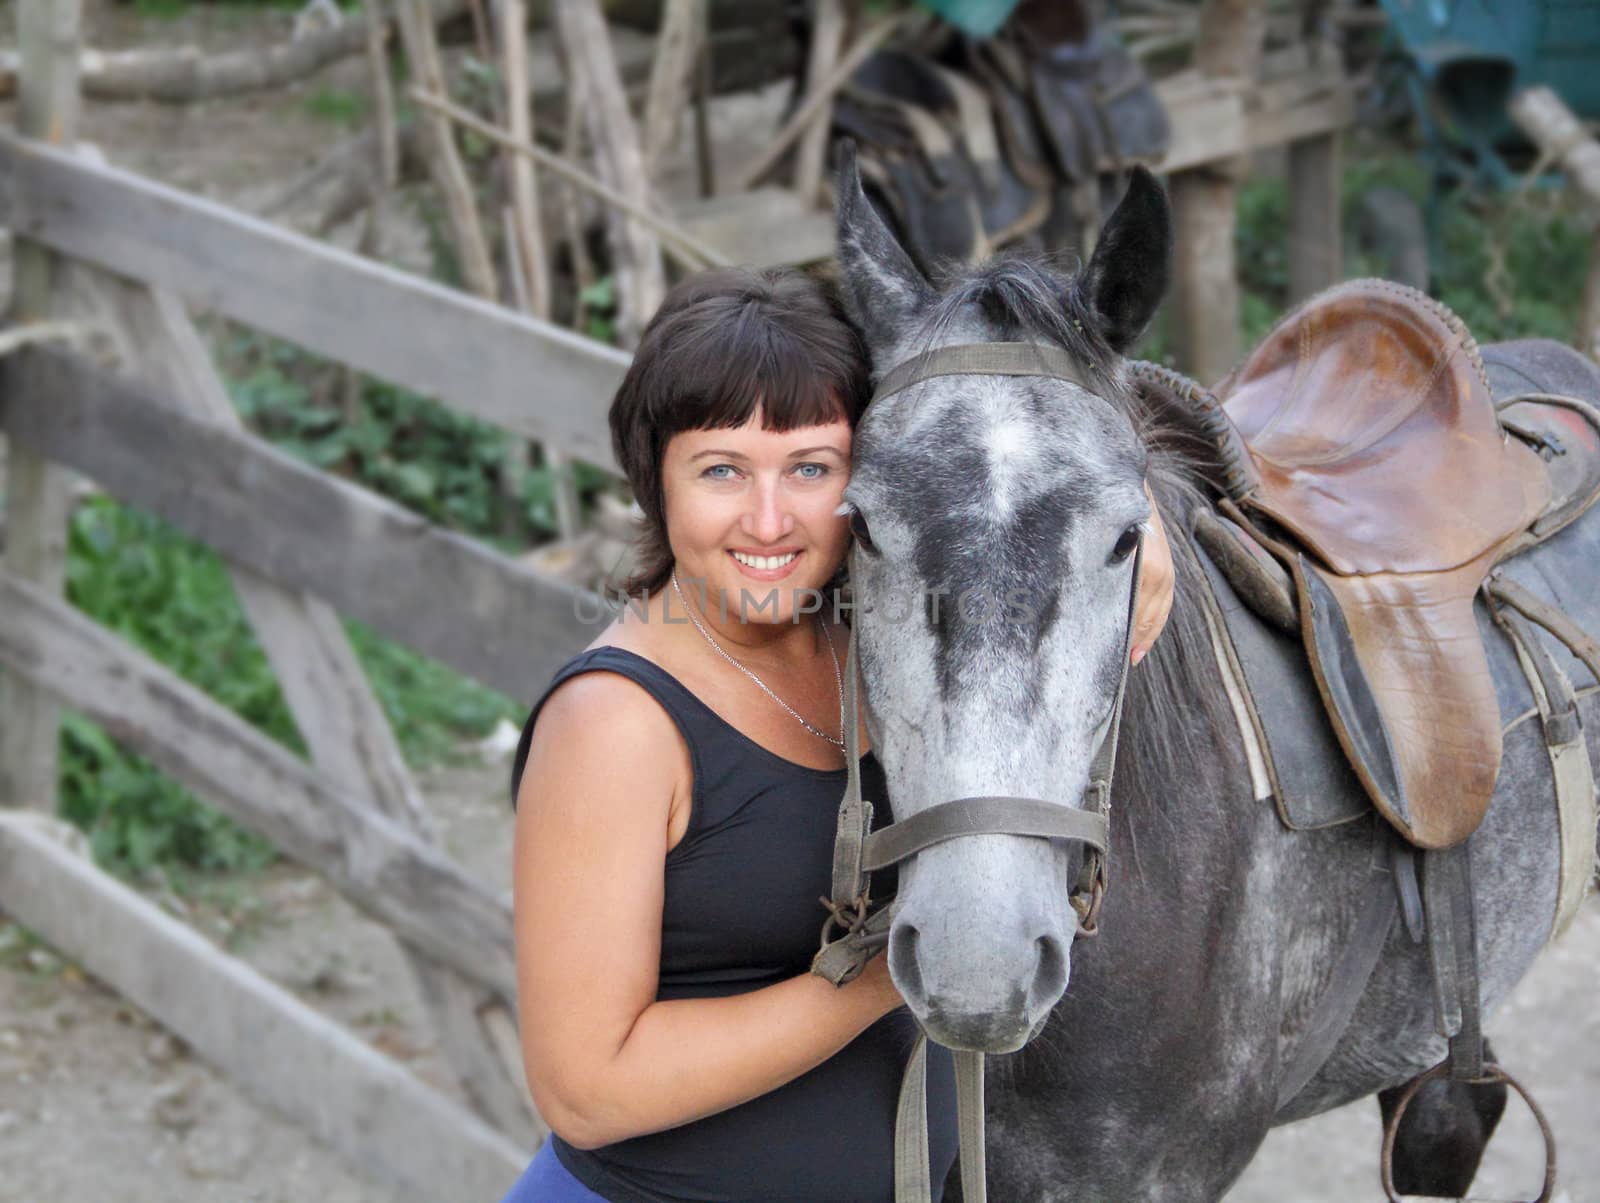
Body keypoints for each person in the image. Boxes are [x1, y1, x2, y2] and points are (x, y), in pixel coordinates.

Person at [501, 266, 1174, 1203]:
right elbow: (586, 1089)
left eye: (811, 468)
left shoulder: (872, 634)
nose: (769, 521)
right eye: (721, 470)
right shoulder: (615, 725)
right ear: (655, 479)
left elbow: (1021, 471)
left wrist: (1142, 533)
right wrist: (890, 977)